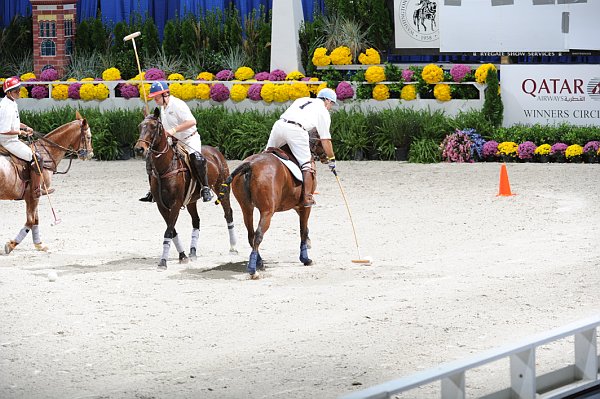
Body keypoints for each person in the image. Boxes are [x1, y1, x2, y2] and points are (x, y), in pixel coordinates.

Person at [139, 81, 212, 203]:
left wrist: (173, 130)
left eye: (156, 97)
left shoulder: (177, 104)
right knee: (151, 157)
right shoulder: (163, 108)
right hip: (173, 141)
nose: (155, 100)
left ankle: (205, 188)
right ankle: (153, 189)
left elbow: (192, 122)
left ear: (165, 94)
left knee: (196, 158)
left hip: (189, 138)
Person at [266, 87, 337, 207]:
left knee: (267, 154)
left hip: (279, 125)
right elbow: (325, 140)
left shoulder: (302, 99)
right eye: (332, 104)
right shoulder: (323, 111)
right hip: (297, 130)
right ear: (327, 101)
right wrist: (331, 159)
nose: (330, 107)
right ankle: (307, 197)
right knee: (306, 164)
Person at [0, 76, 53, 197]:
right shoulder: (6, 107)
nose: (19, 92)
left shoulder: (11, 102)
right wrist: (21, 132)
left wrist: (25, 127)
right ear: (8, 92)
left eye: (19, 89)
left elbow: (14, 122)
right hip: (8, 141)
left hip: (12, 138)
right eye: (16, 91)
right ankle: (36, 189)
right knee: (37, 157)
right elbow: (4, 130)